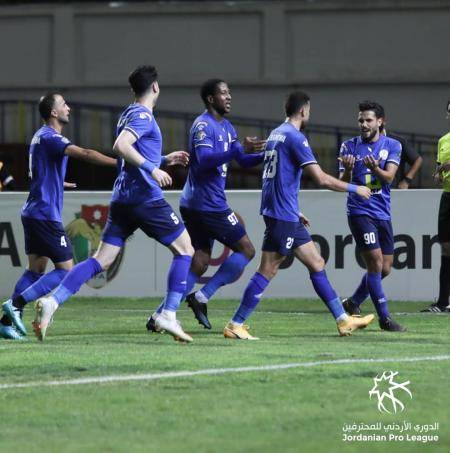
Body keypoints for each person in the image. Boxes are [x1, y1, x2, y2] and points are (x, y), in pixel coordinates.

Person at [32, 65, 195, 342]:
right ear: (155, 87)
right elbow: (121, 147)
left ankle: (52, 302)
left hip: (122, 198)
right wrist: (153, 169)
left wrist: (164, 159)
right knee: (185, 249)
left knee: (101, 260)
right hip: (145, 197)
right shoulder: (143, 115)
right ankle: (168, 314)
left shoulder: (128, 113)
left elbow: (128, 157)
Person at [223, 91, 374, 340]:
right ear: (303, 110)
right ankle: (235, 323)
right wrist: (354, 188)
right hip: (282, 215)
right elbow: (321, 178)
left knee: (316, 263)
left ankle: (343, 320)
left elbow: (274, 178)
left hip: (284, 212)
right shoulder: (295, 138)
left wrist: (294, 209)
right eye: (309, 110)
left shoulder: (276, 134)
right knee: (268, 269)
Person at [147, 79, 265, 331]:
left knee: (199, 261)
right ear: (211, 99)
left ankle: (159, 315)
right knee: (246, 250)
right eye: (223, 93)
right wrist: (237, 151)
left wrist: (267, 154)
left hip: (198, 204)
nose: (229, 97)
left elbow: (242, 161)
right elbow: (203, 160)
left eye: (229, 92)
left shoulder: (228, 127)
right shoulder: (203, 125)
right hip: (208, 204)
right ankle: (201, 297)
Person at [0, 93, 117, 341]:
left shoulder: (39, 137)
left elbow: (36, 174)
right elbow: (85, 153)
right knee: (66, 271)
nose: (69, 108)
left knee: (36, 269)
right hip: (44, 215)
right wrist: (119, 163)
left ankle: (5, 323)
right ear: (53, 112)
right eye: (64, 104)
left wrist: (57, 181)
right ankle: (15, 304)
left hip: (33, 212)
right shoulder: (51, 137)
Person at [340, 101, 406, 332]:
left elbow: (389, 178)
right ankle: (384, 318)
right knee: (375, 263)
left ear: (380, 121)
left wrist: (376, 168)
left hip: (382, 213)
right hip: (359, 212)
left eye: (368, 120)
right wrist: (349, 169)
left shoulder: (393, 145)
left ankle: (353, 302)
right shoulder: (348, 146)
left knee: (385, 268)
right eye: (361, 120)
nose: (364, 124)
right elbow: (343, 183)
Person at [421, 100, 450, 313]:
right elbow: (439, 171)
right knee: (446, 248)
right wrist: (439, 174)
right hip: (447, 197)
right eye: (449, 112)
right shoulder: (443, 141)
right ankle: (443, 302)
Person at [381, 122, 423, 189]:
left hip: (394, 189)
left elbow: (418, 160)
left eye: (369, 120)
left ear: (381, 121)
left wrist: (407, 180)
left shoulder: (397, 141)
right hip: (372, 188)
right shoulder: (366, 141)